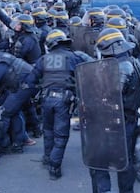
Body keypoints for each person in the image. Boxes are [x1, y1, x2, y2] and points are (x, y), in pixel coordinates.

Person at [27, 29, 93, 180]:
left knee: (48, 130)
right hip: (64, 100)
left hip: (45, 99)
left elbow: (31, 80)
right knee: (61, 135)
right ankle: (54, 167)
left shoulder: (43, 59)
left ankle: (47, 157)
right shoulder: (73, 57)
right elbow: (89, 70)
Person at [89, 28, 140, 192]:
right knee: (126, 162)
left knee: (99, 161)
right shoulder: (134, 62)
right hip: (130, 120)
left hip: (114, 123)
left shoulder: (121, 68)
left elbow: (110, 96)